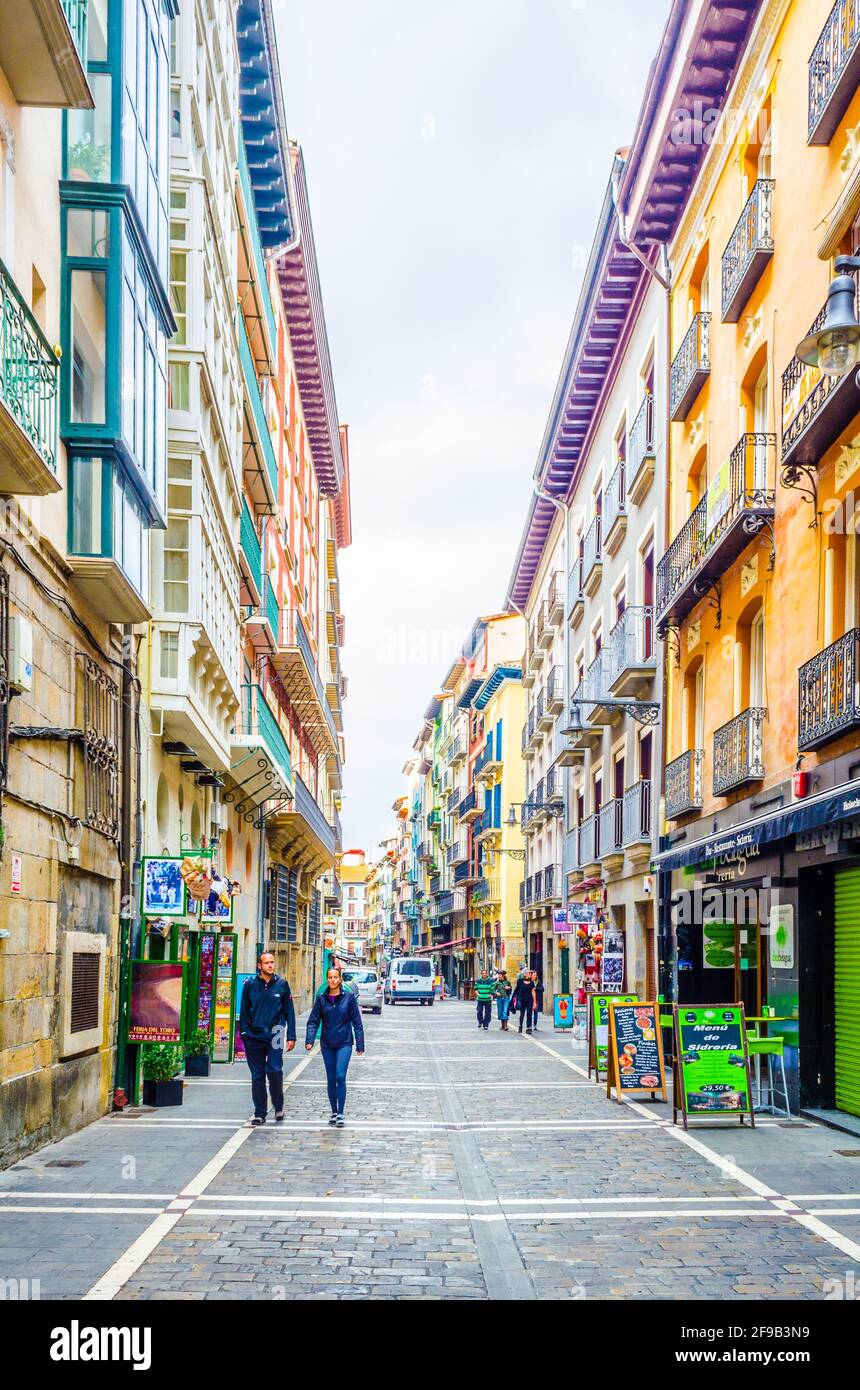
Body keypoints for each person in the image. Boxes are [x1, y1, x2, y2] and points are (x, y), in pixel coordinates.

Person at [239, 951, 296, 1125]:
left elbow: (290, 1012)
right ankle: (260, 1113)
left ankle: (278, 1106)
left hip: (276, 1033)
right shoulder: (250, 985)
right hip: (254, 1036)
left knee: (275, 1070)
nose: (270, 965)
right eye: (267, 963)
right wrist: (244, 1033)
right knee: (257, 1075)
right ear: (259, 966)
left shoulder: (282, 984)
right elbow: (244, 1010)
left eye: (272, 962)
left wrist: (291, 1036)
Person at [305, 965, 365, 1126]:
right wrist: (309, 1040)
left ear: (340, 979)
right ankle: (333, 1111)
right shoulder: (321, 999)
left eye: (335, 977)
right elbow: (313, 1021)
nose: (332, 980)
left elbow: (357, 1022)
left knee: (340, 1075)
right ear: (327, 979)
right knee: (331, 1078)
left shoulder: (349, 998)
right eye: (330, 977)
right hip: (327, 1043)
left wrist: (360, 1045)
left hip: (344, 1042)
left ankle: (341, 1113)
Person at [514, 970, 536, 1035]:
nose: (529, 974)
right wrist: (515, 1000)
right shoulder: (520, 981)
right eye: (527, 973)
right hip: (522, 1000)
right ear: (524, 974)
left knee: (529, 1014)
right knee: (522, 1014)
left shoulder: (532, 982)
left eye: (529, 973)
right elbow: (516, 990)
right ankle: (520, 1026)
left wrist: (534, 1002)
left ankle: (529, 1028)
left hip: (529, 1000)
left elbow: (533, 992)